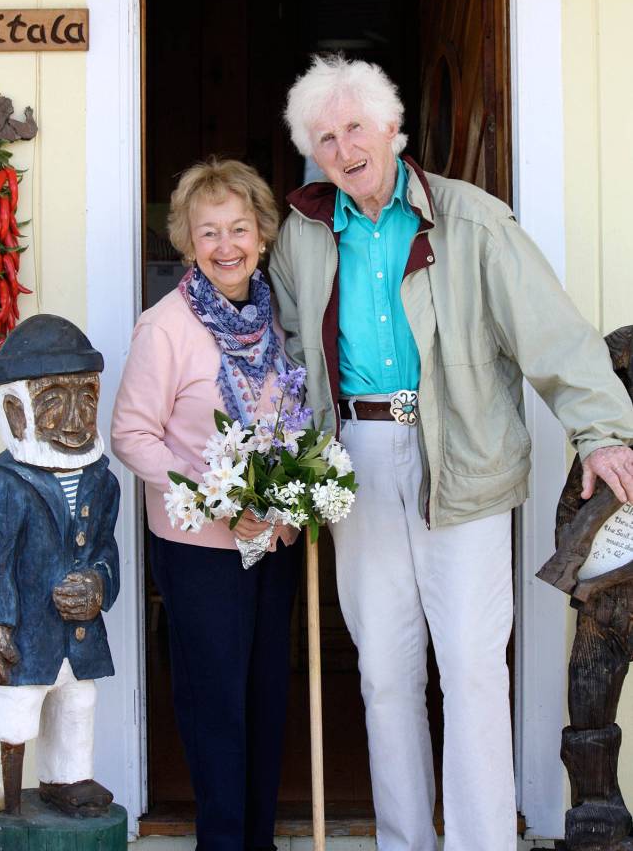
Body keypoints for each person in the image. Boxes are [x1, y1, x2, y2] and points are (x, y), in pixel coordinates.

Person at [269, 53, 633, 851]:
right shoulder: (302, 233)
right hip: (353, 460)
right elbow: (291, 355)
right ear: (312, 151)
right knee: (382, 671)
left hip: (459, 456)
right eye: (324, 137)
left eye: (355, 126)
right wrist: (286, 467)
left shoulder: (470, 220)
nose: (343, 147)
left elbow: (552, 332)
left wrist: (601, 431)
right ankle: (406, 841)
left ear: (392, 128)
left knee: (470, 667)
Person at [111, 158, 301, 851]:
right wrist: (212, 499)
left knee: (264, 698)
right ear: (187, 243)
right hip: (199, 550)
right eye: (209, 232)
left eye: (239, 228)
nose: (227, 245)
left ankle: (258, 840)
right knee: (215, 704)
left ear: (262, 233)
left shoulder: (280, 316)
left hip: (271, 541)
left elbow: (299, 416)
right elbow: (130, 433)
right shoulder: (165, 326)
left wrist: (290, 497)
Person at [0, 314, 120, 817]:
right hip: (26, 636)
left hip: (77, 635)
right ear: (16, 412)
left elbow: (105, 546)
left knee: (77, 704)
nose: (76, 420)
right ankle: (11, 795)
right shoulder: (3, 487)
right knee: (18, 712)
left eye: (87, 398)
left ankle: (67, 778)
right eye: (54, 401)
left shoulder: (101, 480)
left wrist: (98, 583)